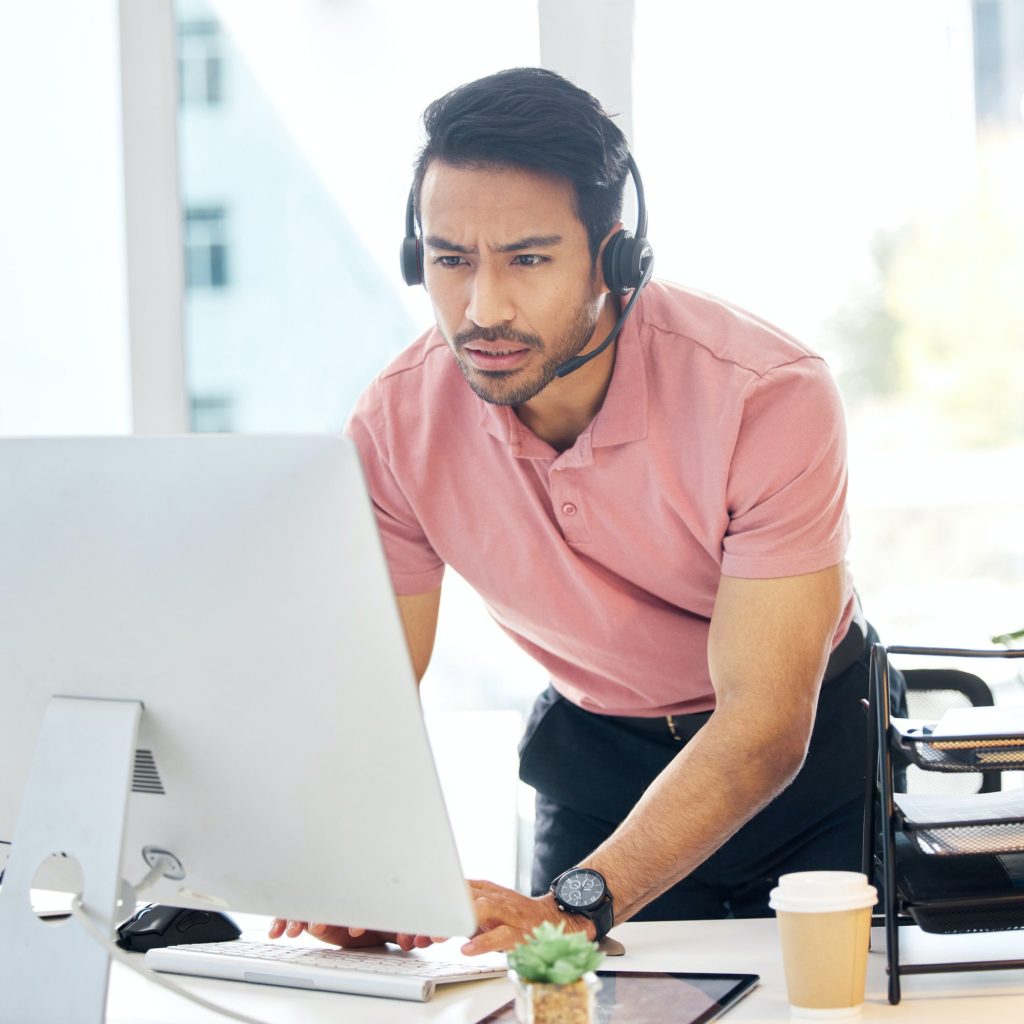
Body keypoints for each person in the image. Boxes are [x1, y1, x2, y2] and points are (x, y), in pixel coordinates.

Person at [270, 66, 899, 956]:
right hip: (597, 757)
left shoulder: (767, 396)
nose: (481, 309)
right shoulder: (396, 422)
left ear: (616, 256)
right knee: (569, 1003)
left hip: (811, 767)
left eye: (528, 259)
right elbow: (371, 692)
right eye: (450, 260)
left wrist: (575, 905)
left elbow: (761, 726)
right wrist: (361, 871)